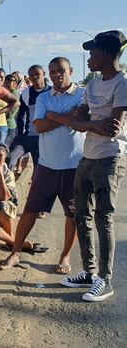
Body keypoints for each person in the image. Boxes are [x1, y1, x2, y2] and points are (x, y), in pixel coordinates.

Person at [58, 30, 127, 302]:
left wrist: (88, 124)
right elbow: (77, 122)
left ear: (109, 54)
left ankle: (105, 280)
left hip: (110, 157)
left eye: (94, 52)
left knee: (103, 218)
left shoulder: (122, 84)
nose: (89, 58)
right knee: (81, 215)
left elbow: (113, 128)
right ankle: (88, 272)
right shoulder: (92, 85)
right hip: (87, 157)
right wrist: (93, 124)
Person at [0, 57, 85, 274]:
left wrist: (54, 116)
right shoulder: (45, 97)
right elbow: (39, 125)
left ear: (71, 71)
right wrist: (66, 117)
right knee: (30, 211)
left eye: (61, 70)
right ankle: (15, 252)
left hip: (74, 166)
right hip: (46, 165)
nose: (57, 74)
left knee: (72, 214)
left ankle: (65, 257)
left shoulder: (83, 95)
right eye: (53, 70)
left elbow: (81, 123)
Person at [10, 64, 51, 168]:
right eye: (31, 75)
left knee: (44, 164)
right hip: (32, 135)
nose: (34, 77)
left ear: (44, 74)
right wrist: (21, 134)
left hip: (49, 135)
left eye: (37, 74)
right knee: (35, 163)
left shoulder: (52, 91)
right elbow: (21, 116)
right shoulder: (26, 93)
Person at [4, 74, 20, 145]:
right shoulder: (7, 92)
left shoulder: (14, 93)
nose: (7, 84)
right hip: (6, 123)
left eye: (9, 82)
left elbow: (11, 111)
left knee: (5, 147)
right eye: (6, 82)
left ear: (14, 83)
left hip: (9, 123)